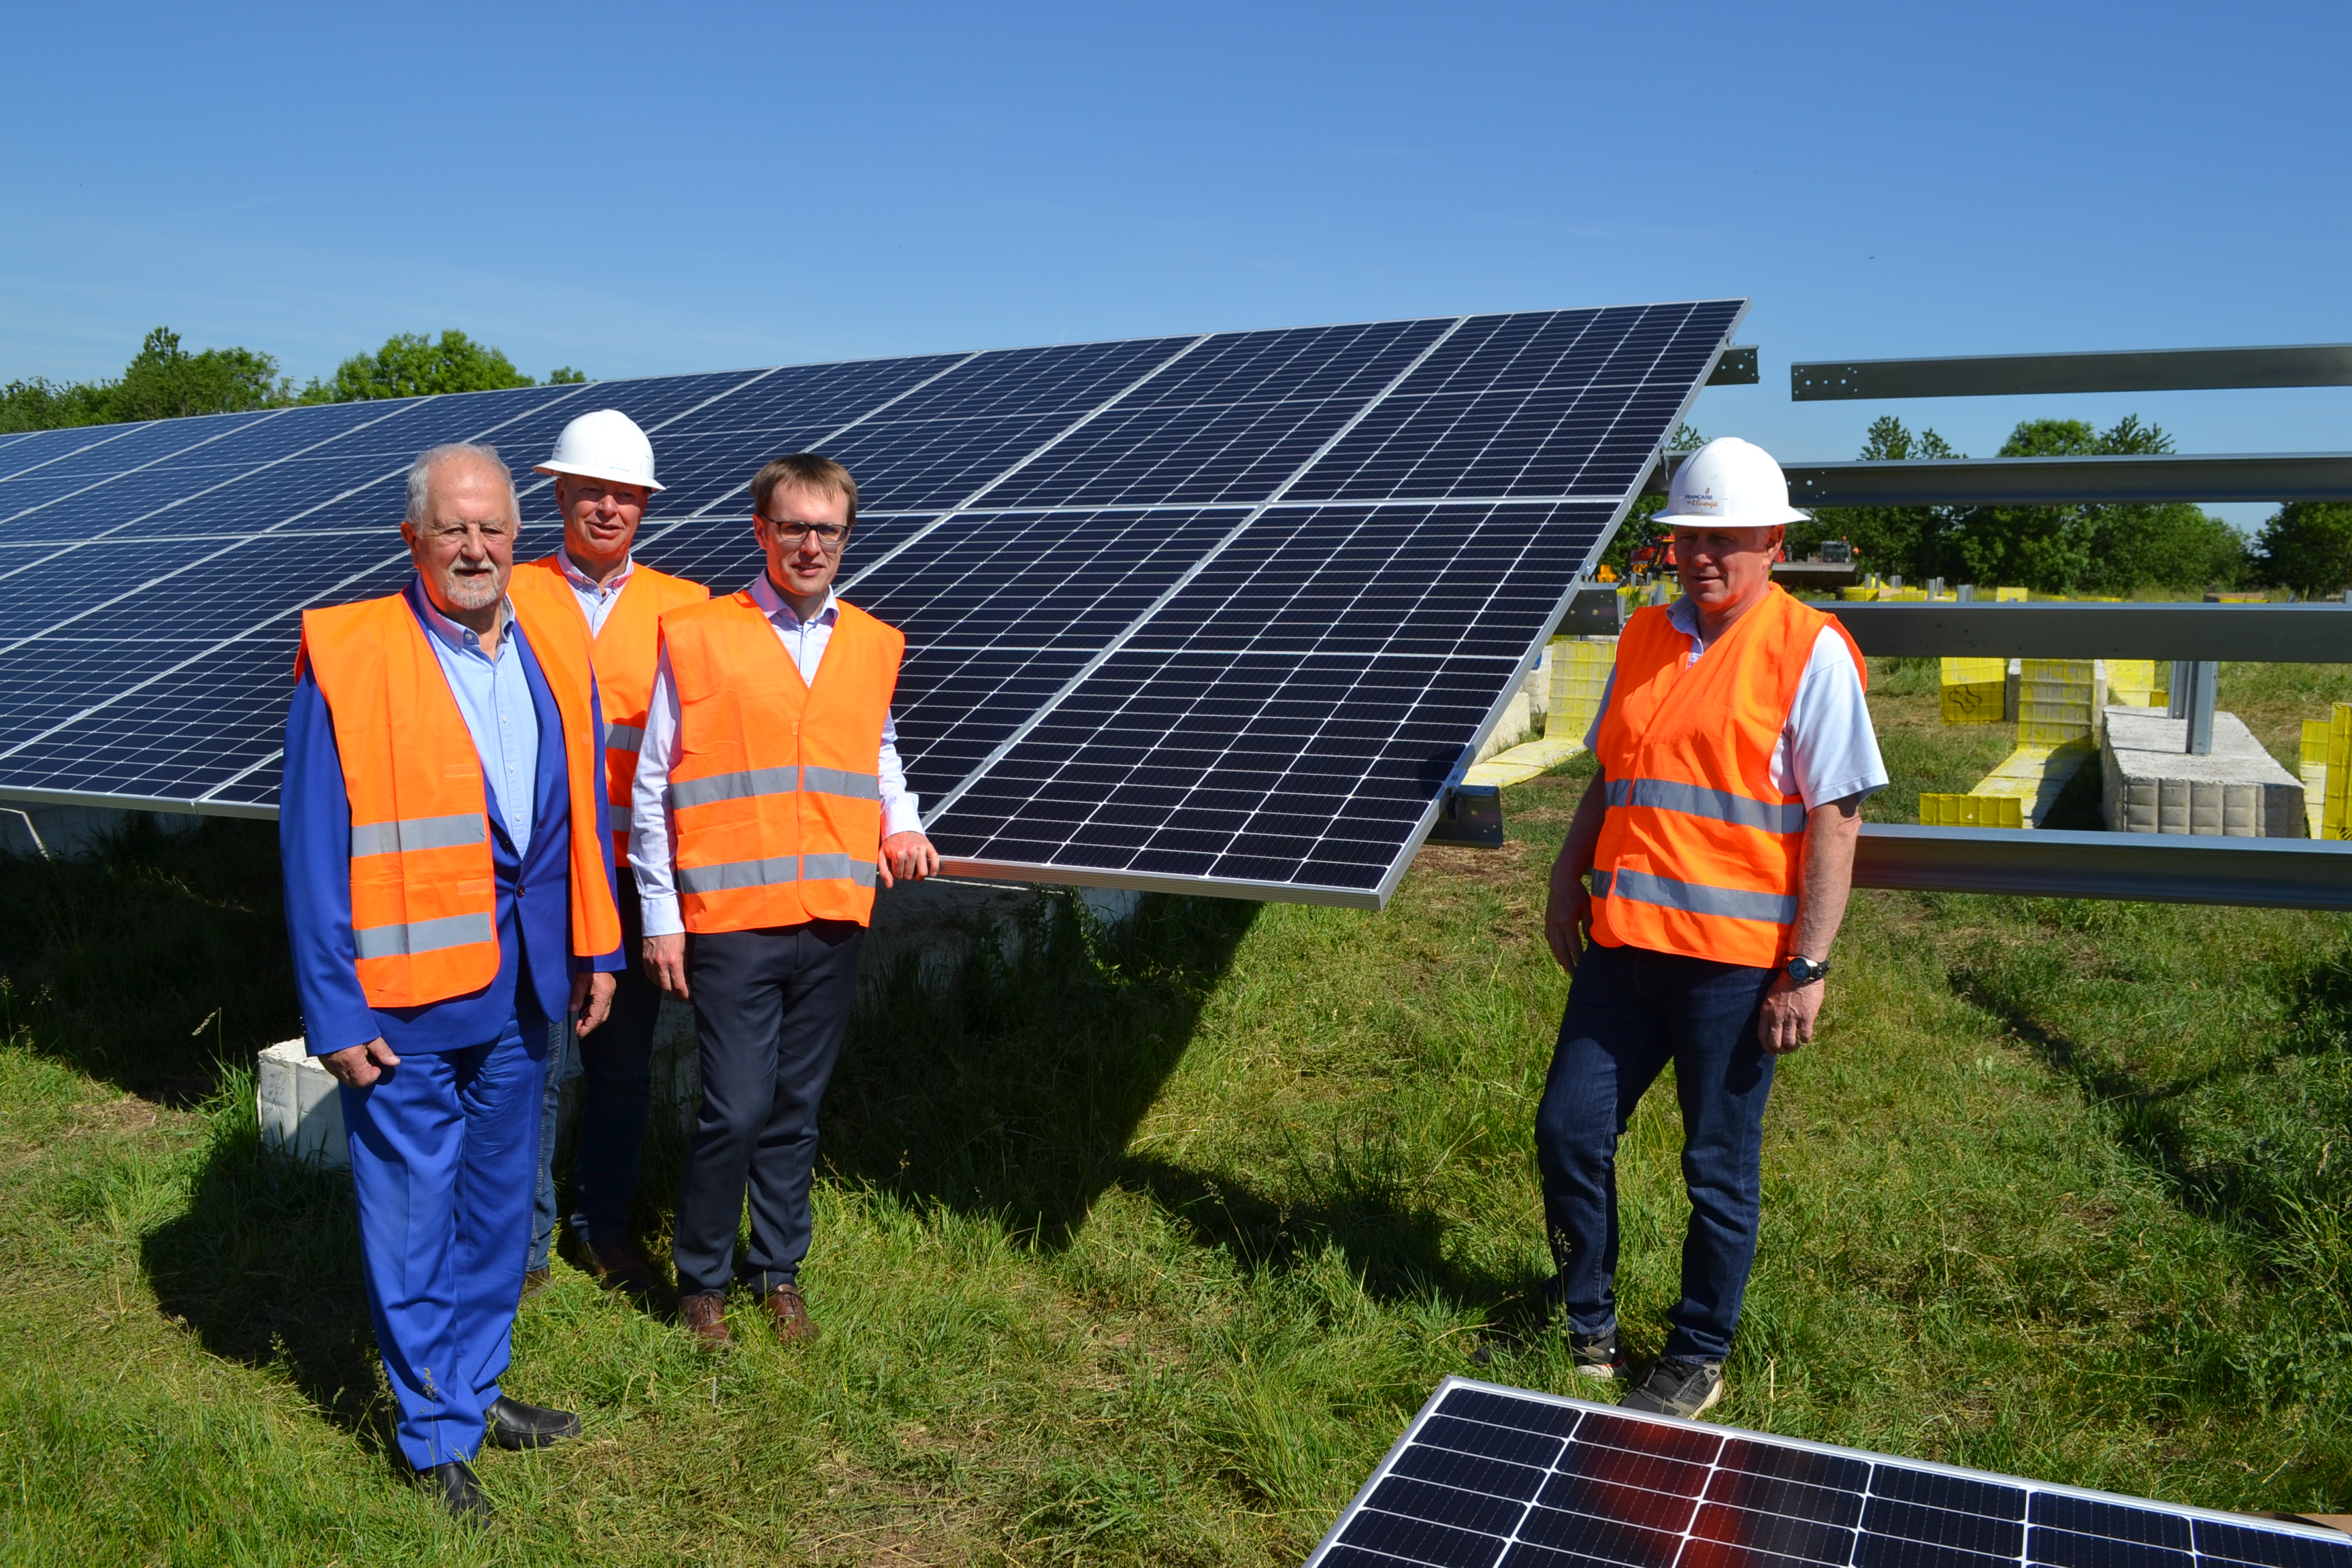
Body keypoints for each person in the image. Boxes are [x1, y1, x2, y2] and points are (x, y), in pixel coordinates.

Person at [280, 442, 624, 1522]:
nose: (475, 548)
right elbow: (311, 852)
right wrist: (334, 1008)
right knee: (415, 1219)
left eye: (493, 530)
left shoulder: (546, 652)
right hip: (402, 1006)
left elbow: (577, 825)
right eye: (453, 529)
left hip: (524, 989)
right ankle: (433, 1437)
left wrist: (598, 947)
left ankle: (473, 1394)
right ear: (412, 539)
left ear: (519, 540)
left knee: (492, 1215)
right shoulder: (351, 653)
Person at [1537, 436, 1887, 1418]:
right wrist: (1568, 874)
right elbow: (1614, 772)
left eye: (1725, 538)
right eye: (1689, 537)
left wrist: (1807, 964)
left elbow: (1837, 814)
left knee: (1715, 1168)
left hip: (1733, 971)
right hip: (1623, 950)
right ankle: (1586, 1323)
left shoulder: (1809, 649)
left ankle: (1697, 1350)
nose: (1702, 556)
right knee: (1568, 1131)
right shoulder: (1646, 635)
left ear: (1772, 540)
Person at [631, 453, 938, 1349]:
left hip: (836, 912)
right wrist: (661, 915)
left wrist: (902, 825)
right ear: (761, 531)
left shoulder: (874, 641)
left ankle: (778, 1271)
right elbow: (654, 783)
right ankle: (702, 1282)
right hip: (731, 923)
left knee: (797, 1107)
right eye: (793, 526)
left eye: (827, 529)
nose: (810, 544)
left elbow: (877, 753)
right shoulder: (697, 635)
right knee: (733, 1106)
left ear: (847, 536)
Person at [510, 410, 708, 1299]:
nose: (607, 507)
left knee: (621, 1066)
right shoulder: (507, 591)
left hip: (634, 875)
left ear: (644, 506)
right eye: (591, 489)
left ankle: (603, 1227)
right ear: (557, 492)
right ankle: (522, 1240)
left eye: (624, 495)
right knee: (535, 1062)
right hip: (536, 874)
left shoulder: (689, 607)